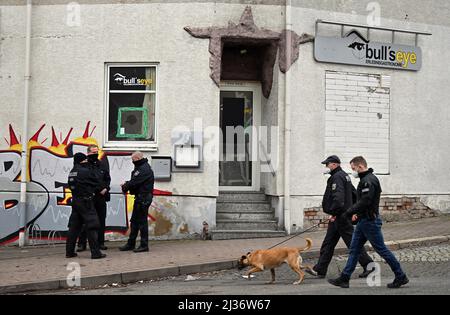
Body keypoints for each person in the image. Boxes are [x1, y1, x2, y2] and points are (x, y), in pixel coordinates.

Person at [329, 156, 409, 289]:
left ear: (360, 167)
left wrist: (349, 212)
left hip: (370, 222)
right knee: (354, 249)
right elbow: (366, 203)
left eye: (353, 168)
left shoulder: (368, 181)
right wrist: (357, 214)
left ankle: (400, 276)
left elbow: (365, 201)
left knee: (381, 249)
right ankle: (344, 278)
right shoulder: (366, 179)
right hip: (363, 221)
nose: (352, 171)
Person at [306, 155, 374, 279]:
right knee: (328, 243)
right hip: (341, 215)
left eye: (328, 164)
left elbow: (338, 199)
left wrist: (335, 213)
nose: (326, 166)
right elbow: (354, 193)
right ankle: (320, 269)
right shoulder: (344, 176)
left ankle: (369, 265)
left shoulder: (337, 177)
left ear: (334, 164)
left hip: (340, 217)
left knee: (353, 244)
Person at [66, 153, 106, 260]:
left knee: (74, 227)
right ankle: (95, 253)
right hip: (86, 201)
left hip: (76, 201)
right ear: (82, 161)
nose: (86, 162)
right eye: (85, 160)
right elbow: (96, 182)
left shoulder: (72, 172)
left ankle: (69, 252)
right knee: (92, 225)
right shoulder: (85, 171)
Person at [77, 145, 111, 252]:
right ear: (88, 153)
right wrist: (98, 189)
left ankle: (100, 243)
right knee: (86, 221)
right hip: (89, 197)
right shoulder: (85, 166)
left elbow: (107, 178)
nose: (96, 154)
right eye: (93, 152)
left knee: (101, 220)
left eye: (97, 152)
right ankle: (82, 244)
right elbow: (86, 181)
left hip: (101, 197)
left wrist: (106, 188)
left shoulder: (101, 165)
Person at [119, 152, 155, 253]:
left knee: (142, 222)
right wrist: (127, 184)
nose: (132, 161)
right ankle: (131, 243)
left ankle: (144, 245)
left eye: (133, 159)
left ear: (138, 158)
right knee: (134, 221)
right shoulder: (140, 167)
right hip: (140, 198)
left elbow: (135, 182)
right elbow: (134, 181)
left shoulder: (143, 169)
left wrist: (125, 186)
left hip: (143, 198)